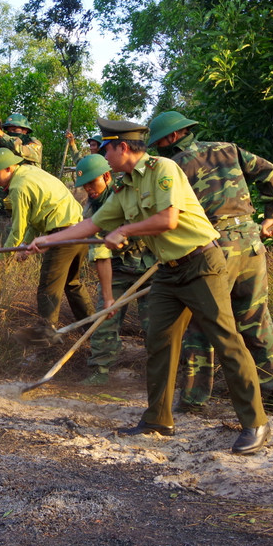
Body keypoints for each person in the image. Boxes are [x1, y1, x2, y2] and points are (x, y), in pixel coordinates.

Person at [27, 119, 270, 455]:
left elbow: (168, 219)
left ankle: (255, 423)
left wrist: (125, 231)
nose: (103, 156)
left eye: (105, 149)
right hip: (168, 273)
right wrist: (46, 240)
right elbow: (92, 224)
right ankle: (158, 418)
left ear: (122, 147)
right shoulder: (123, 188)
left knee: (226, 341)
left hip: (201, 264)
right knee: (159, 343)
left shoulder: (163, 169)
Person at [147, 111, 273, 412]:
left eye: (159, 140)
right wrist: (272, 215)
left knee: (203, 320)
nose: (157, 146)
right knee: (256, 318)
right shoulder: (230, 149)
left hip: (214, 245)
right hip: (250, 240)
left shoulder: (172, 166)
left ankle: (194, 399)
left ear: (172, 137)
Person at [0, 147, 95, 338]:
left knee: (47, 288)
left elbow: (17, 230)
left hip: (63, 233)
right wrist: (25, 248)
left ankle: (46, 338)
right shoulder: (30, 172)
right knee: (72, 283)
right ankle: (95, 330)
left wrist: (0, 262)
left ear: (9, 168)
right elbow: (36, 219)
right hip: (80, 230)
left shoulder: (18, 187)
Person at [74, 154, 156, 386]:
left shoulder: (128, 192)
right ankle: (99, 371)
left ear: (107, 176)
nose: (89, 189)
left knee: (155, 325)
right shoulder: (91, 211)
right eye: (85, 185)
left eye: (93, 182)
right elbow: (101, 255)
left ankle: (158, 372)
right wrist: (109, 297)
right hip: (117, 269)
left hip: (150, 267)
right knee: (104, 320)